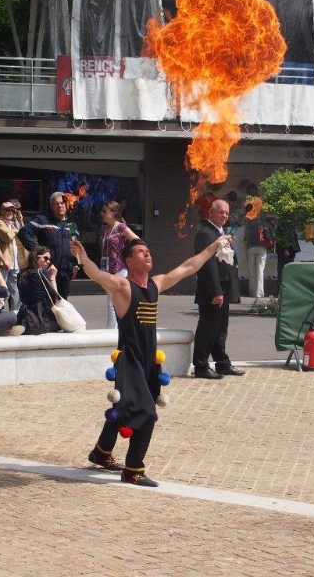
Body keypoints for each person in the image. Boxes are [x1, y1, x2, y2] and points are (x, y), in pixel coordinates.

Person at [71, 233, 233, 487]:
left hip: (149, 361)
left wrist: (214, 246)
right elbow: (97, 275)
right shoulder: (123, 287)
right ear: (128, 260)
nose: (147, 254)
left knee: (126, 405)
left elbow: (189, 266)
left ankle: (101, 453)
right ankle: (133, 469)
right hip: (130, 360)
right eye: (140, 252)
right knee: (146, 412)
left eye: (148, 251)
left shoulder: (156, 285)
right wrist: (82, 256)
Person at [192, 198, 245, 379]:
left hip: (224, 287)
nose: (224, 216)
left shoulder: (220, 233)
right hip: (213, 291)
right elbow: (208, 265)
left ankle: (222, 363)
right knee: (208, 329)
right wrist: (217, 291)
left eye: (226, 213)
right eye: (220, 212)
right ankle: (200, 366)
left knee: (220, 329)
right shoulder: (206, 234)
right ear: (211, 213)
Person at [18, 192, 79, 299]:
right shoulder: (42, 220)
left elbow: (76, 246)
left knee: (62, 303)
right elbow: (23, 233)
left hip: (65, 272)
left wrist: (76, 265)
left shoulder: (72, 225)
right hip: (47, 269)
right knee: (46, 302)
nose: (60, 205)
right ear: (51, 206)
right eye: (56, 204)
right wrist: (38, 252)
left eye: (62, 203)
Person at [98, 200, 139, 328]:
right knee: (111, 302)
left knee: (113, 302)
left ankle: (110, 333)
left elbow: (137, 240)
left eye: (105, 211)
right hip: (106, 269)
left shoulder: (121, 227)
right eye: (102, 211)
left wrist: (130, 256)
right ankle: (116, 330)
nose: (102, 214)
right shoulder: (103, 228)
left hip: (118, 268)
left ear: (114, 212)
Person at [16, 246, 61, 333]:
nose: (48, 261)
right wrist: (52, 277)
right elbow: (54, 297)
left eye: (49, 259)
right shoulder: (42, 272)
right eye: (45, 258)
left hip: (26, 314)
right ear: (36, 257)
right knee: (61, 325)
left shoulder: (21, 273)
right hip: (43, 316)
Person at [0, 200, 22, 311]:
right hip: (3, 262)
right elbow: (6, 236)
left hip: (14, 262)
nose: (10, 212)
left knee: (15, 290)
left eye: (12, 210)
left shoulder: (12, 223)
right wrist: (16, 230)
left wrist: (19, 221)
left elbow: (22, 233)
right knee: (1, 289)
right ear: (1, 210)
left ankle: (15, 315)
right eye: (7, 209)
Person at [242, 208, 274, 301]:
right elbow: (270, 236)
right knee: (260, 270)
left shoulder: (249, 223)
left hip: (250, 247)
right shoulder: (265, 223)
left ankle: (251, 291)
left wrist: (246, 248)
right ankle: (259, 293)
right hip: (262, 247)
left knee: (252, 270)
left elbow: (245, 238)